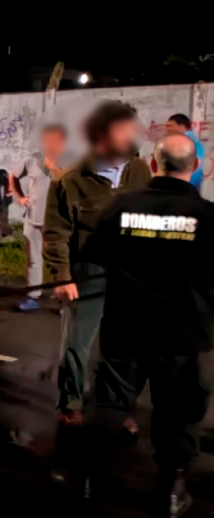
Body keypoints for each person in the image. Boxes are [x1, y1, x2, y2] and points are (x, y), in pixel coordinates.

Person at [79, 133, 213, 518]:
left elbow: (95, 255)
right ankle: (172, 492)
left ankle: (84, 476)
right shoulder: (207, 216)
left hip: (127, 326)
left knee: (109, 401)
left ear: (154, 165)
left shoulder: (121, 206)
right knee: (179, 411)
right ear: (195, 168)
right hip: (184, 334)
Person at [44, 100, 151, 423]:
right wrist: (61, 277)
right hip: (87, 270)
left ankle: (118, 404)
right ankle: (72, 401)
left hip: (130, 272)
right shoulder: (71, 180)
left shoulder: (141, 170)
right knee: (78, 342)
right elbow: (56, 234)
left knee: (125, 345)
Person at [9, 123, 67, 311]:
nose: (50, 144)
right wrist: (20, 197)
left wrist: (54, 168)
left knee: (60, 263)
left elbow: (71, 187)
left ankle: (64, 301)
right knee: (33, 260)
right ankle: (32, 297)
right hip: (33, 218)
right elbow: (12, 176)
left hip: (58, 222)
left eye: (54, 140)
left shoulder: (71, 162)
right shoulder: (32, 159)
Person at [164, 113, 205, 189]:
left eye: (170, 126)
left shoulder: (183, 142)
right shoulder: (195, 141)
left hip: (181, 187)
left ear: (182, 127)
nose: (167, 129)